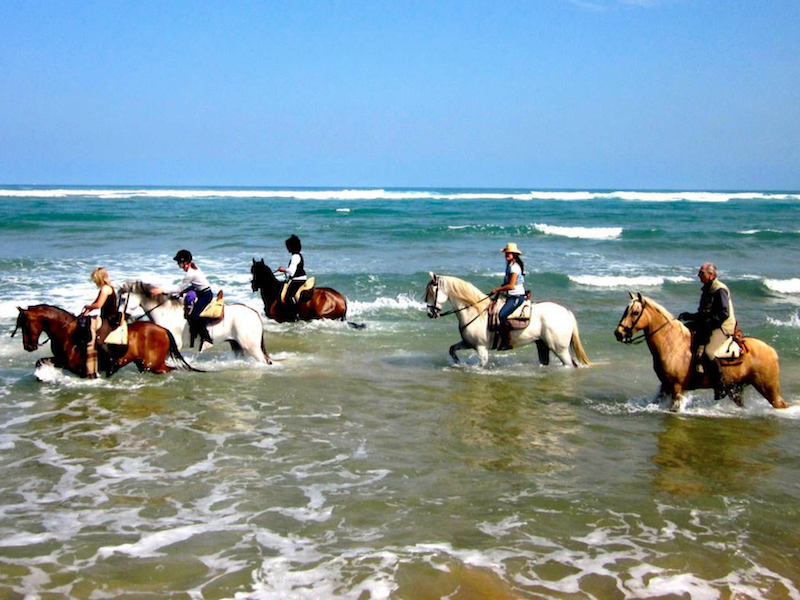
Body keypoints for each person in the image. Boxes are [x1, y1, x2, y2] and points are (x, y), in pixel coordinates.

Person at [679, 262, 737, 398]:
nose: (698, 275)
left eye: (701, 273)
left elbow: (724, 314)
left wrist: (708, 324)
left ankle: (720, 385)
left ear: (711, 275)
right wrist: (690, 316)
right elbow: (703, 313)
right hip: (708, 324)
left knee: (709, 352)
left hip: (722, 326)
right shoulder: (706, 289)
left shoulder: (719, 290)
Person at [151, 250, 214, 346]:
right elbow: (191, 286)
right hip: (198, 290)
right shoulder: (192, 267)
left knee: (194, 316)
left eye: (178, 262)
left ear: (184, 262)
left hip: (205, 295)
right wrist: (183, 292)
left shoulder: (190, 274)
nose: (177, 264)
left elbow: (179, 288)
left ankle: (207, 338)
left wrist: (162, 290)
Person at [81, 267, 121, 375]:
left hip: (109, 319)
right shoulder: (107, 288)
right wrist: (87, 311)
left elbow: (98, 305)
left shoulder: (105, 289)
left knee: (99, 340)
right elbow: (96, 302)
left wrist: (88, 305)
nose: (94, 282)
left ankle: (112, 361)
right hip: (106, 317)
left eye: (95, 279)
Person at [490, 242, 526, 350]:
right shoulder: (510, 265)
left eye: (509, 253)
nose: (507, 255)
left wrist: (497, 289)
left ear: (514, 254)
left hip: (516, 296)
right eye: (506, 253)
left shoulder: (515, 268)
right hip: (510, 295)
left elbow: (510, 286)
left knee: (502, 315)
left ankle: (507, 341)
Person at [276, 234, 308, 319]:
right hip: (300, 278)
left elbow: (291, 272)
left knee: (288, 297)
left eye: (288, 246)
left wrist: (283, 270)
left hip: (298, 279)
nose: (287, 248)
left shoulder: (295, 257)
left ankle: (294, 315)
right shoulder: (298, 255)